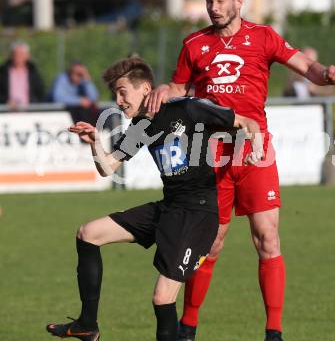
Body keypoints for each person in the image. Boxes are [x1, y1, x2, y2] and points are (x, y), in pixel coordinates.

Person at [145, 0, 335, 341]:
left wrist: (325, 74)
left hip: (255, 150)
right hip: (210, 153)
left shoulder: (264, 37)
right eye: (208, 1)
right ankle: (188, 326)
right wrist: (162, 89)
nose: (213, 7)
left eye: (220, 0)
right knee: (212, 241)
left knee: (267, 237)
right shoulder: (194, 45)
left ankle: (273, 332)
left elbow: (305, 66)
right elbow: (179, 85)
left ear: (239, 0)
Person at [46, 57, 263, 341]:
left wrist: (255, 149)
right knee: (88, 234)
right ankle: (87, 324)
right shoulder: (141, 126)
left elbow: (248, 122)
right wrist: (95, 142)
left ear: (145, 89)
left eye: (123, 91)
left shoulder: (188, 107)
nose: (118, 100)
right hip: (169, 207)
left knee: (162, 298)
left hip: (198, 214)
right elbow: (108, 167)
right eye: (115, 94)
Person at [0, 41, 45, 108]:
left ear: (27, 55)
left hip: (29, 112)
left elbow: (40, 93)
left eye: (22, 54)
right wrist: (6, 101)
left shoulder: (33, 72)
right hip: (6, 112)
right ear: (12, 55)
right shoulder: (2, 72)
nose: (19, 57)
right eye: (16, 54)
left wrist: (33, 104)